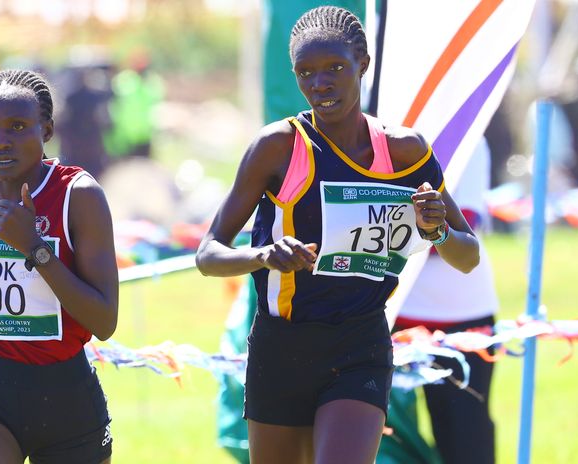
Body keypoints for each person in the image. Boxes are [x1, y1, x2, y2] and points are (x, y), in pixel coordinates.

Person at [195, 7, 480, 464]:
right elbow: (208, 253)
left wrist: (437, 231)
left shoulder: (406, 152)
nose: (319, 85)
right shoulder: (278, 146)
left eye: (334, 68)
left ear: (363, 63)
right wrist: (264, 255)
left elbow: (468, 256)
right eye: (306, 73)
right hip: (281, 346)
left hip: (360, 344)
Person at [0, 69, 118, 464]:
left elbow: (104, 320)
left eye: (16, 126)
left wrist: (33, 246)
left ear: (46, 130)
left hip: (67, 400)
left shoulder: (77, 195)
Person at [394, 139, 499, 464]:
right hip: (387, 314)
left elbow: (462, 230)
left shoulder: (466, 132)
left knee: (464, 440)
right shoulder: (367, 130)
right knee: (382, 443)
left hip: (461, 317)